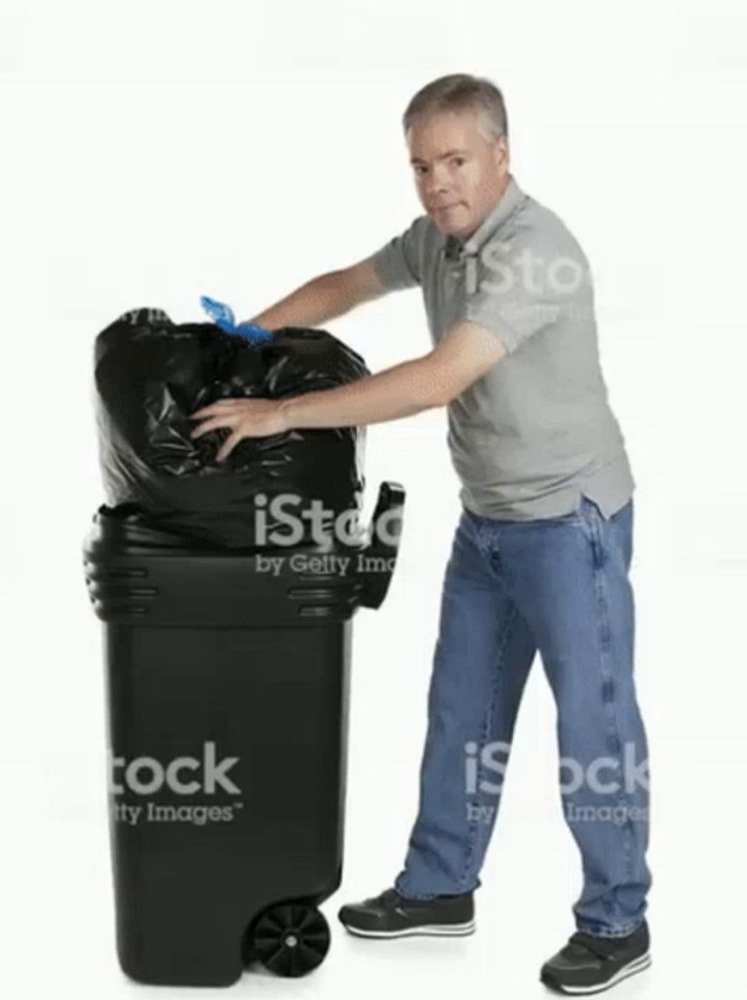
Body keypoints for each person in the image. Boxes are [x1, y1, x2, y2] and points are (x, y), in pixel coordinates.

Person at [189, 73, 652, 995]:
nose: (438, 183)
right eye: (421, 166)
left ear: (500, 155)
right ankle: (440, 887)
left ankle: (618, 919)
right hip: (490, 521)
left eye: (455, 161)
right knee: (461, 714)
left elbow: (440, 377)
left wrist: (287, 414)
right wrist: (249, 334)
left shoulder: (537, 252)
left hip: (571, 523)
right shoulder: (438, 241)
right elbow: (348, 285)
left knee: (593, 728)